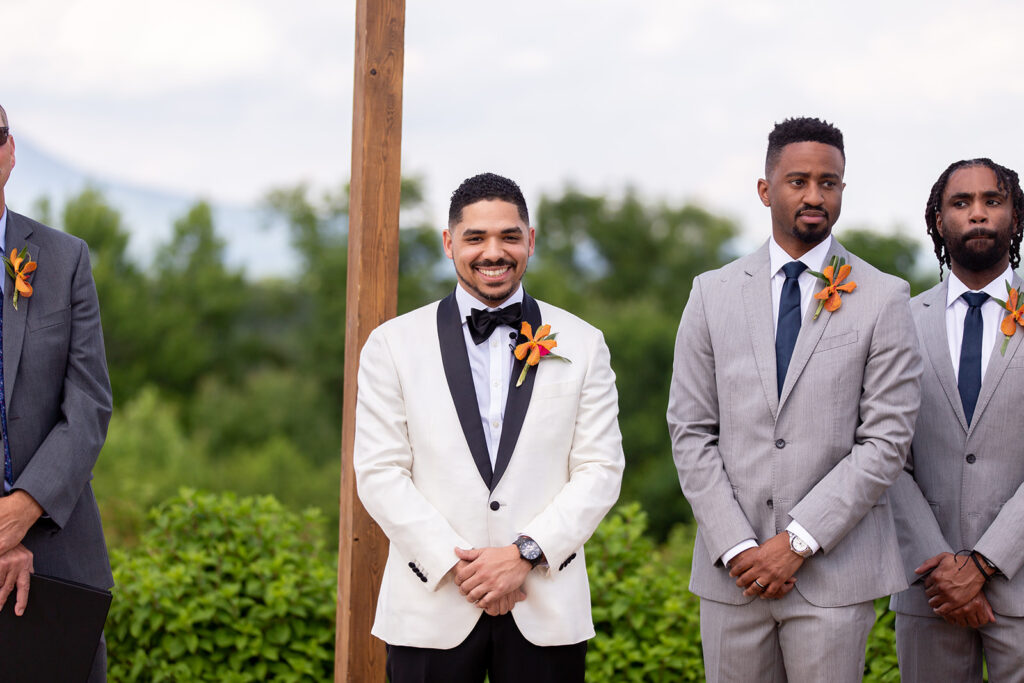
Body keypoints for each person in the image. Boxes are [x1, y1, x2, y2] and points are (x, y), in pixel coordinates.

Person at [666, 117, 922, 681]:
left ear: (842, 190)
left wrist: (798, 543)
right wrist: (736, 545)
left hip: (834, 577)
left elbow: (886, 441)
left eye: (829, 183)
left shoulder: (883, 296)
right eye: (798, 181)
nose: (814, 195)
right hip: (732, 578)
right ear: (765, 189)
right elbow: (690, 430)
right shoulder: (711, 293)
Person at [353, 172, 624, 682]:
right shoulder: (392, 345)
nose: (492, 252)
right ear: (449, 242)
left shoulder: (584, 344)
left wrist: (523, 555)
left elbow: (600, 468)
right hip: (430, 605)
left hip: (544, 606)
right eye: (476, 238)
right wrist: (465, 569)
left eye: (509, 236)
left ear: (531, 241)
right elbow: (379, 471)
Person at [889, 158, 1024, 682]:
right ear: (939, 220)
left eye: (993, 201)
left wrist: (986, 562)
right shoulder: (898, 321)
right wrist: (941, 566)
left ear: (1016, 216)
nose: (978, 215)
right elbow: (884, 453)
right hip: (930, 594)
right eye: (961, 203)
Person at [0, 105, 113, 680]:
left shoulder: (64, 258)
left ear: (10, 151)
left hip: (58, 557)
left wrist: (21, 512)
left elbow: (89, 402)